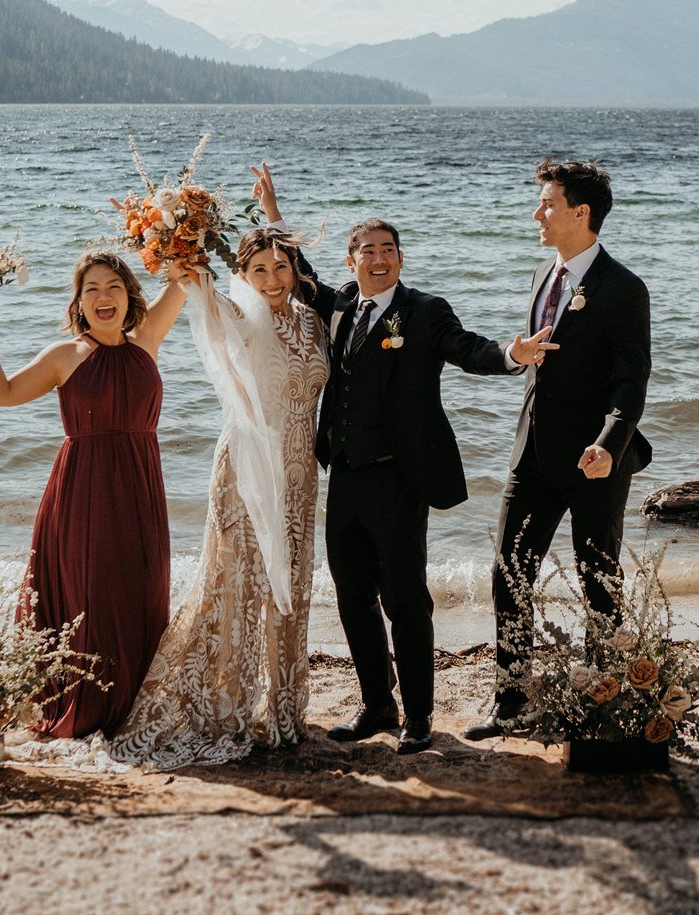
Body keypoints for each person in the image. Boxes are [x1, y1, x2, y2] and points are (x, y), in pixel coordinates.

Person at [266, 170, 553, 754]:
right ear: (351, 262)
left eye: (388, 250)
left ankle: (418, 717)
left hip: (399, 478)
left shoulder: (424, 311)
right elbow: (296, 274)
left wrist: (511, 354)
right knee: (351, 595)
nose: (379, 259)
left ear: (400, 259)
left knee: (404, 599)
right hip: (344, 474)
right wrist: (273, 211)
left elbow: (466, 347)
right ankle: (377, 703)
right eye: (367, 251)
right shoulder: (340, 306)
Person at [110, 214, 330, 768]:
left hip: (300, 475)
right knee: (236, 588)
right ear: (244, 275)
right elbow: (205, 298)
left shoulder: (313, 321)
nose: (273, 278)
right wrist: (177, 251)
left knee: (293, 588)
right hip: (246, 471)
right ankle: (227, 708)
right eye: (259, 269)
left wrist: (273, 212)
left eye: (281, 267)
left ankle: (283, 710)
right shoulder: (242, 315)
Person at [467, 158, 653, 740]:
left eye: (548, 203)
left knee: (599, 579)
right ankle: (511, 700)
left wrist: (607, 445)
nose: (537, 213)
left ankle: (605, 700)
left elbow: (631, 381)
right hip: (532, 456)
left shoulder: (623, 288)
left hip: (595, 462)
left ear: (582, 212)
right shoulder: (542, 277)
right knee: (509, 574)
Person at [0, 251, 185, 738]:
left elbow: (187, 270)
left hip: (143, 486)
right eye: (91, 290)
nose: (103, 297)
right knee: (94, 591)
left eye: (113, 287)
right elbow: (1, 395)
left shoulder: (147, 339)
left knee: (143, 590)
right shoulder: (66, 355)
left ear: (130, 294)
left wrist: (174, 224)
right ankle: (89, 704)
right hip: (85, 490)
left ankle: (131, 703)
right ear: (78, 303)